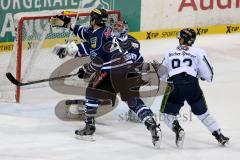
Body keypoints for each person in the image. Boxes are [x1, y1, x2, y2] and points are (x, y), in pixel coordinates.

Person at [50, 8, 161, 148]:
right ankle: (151, 125)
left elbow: (98, 61)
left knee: (91, 92)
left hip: (111, 72)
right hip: (128, 70)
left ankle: (89, 128)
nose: (89, 22)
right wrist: (69, 25)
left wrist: (84, 70)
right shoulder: (106, 30)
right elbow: (87, 34)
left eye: (91, 19)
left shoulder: (97, 38)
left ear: (93, 20)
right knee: (134, 101)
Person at [156, 28, 229, 147]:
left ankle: (178, 129)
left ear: (183, 39)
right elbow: (208, 74)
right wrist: (202, 76)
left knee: (167, 114)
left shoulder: (170, 51)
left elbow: (161, 73)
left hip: (174, 85)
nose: (179, 40)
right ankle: (218, 134)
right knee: (203, 114)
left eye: (180, 38)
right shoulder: (198, 52)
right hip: (192, 85)